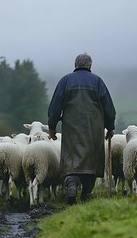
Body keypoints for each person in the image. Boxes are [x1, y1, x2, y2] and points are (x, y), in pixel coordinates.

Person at [48, 53, 116, 205]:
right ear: (90, 65)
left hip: (71, 126)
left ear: (75, 64)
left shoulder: (65, 81)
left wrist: (52, 126)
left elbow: (55, 106)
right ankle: (86, 193)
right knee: (91, 160)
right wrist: (110, 127)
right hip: (94, 126)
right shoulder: (97, 81)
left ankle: (71, 186)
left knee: (72, 157)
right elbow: (108, 107)